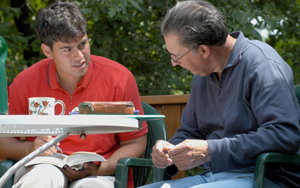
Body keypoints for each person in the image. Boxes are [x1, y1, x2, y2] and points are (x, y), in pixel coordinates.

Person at [139, 0, 300, 188]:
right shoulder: (203, 74)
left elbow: (284, 134)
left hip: (264, 177)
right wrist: (169, 151)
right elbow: (191, 131)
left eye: (176, 56)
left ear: (203, 50)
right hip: (212, 177)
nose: (174, 63)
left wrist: (211, 150)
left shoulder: (262, 64)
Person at [0, 1, 148, 188]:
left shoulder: (119, 77)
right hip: (43, 166)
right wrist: (30, 148)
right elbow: (3, 142)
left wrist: (101, 168)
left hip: (99, 172)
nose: (79, 56)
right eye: (67, 49)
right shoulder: (25, 81)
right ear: (47, 51)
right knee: (44, 178)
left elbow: (136, 143)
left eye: (83, 44)